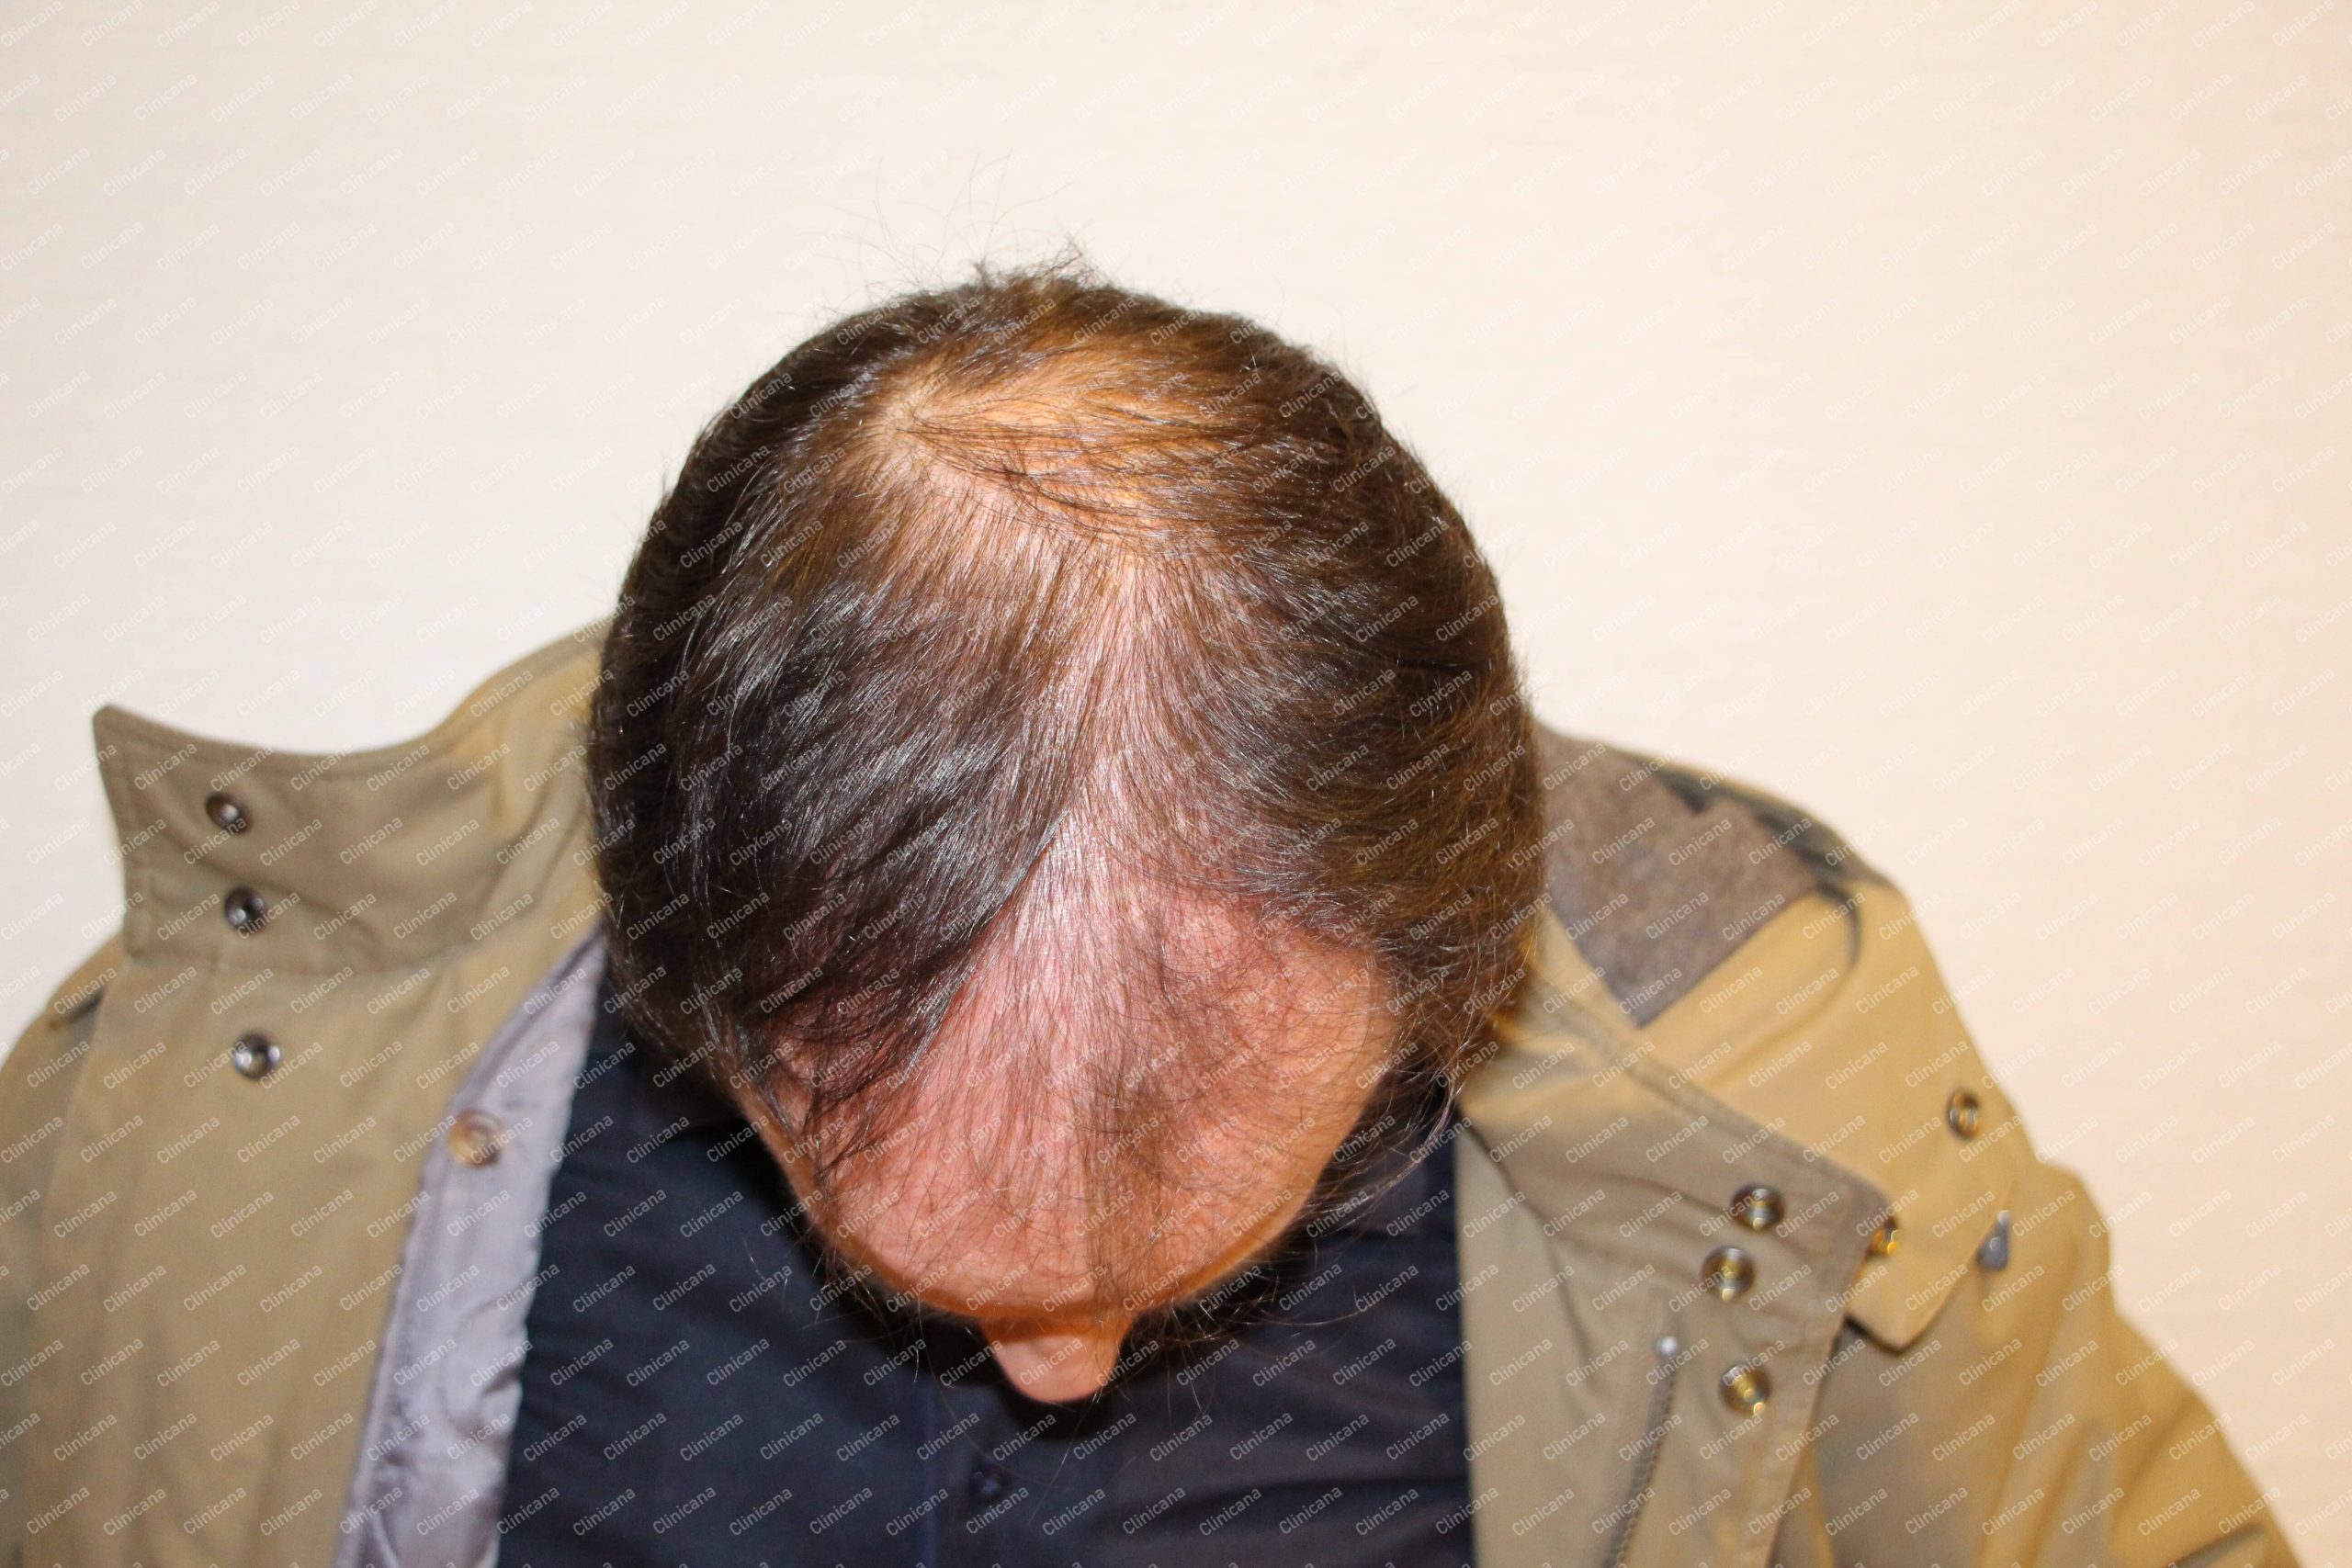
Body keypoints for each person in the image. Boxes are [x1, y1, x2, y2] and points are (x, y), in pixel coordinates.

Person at [0, 257, 2301, 1568]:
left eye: (1193, 1247)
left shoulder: (1752, 1039)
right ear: (688, 944)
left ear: (1451, 944)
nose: (1063, 1367)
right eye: (922, 1255)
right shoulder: (213, 1114)